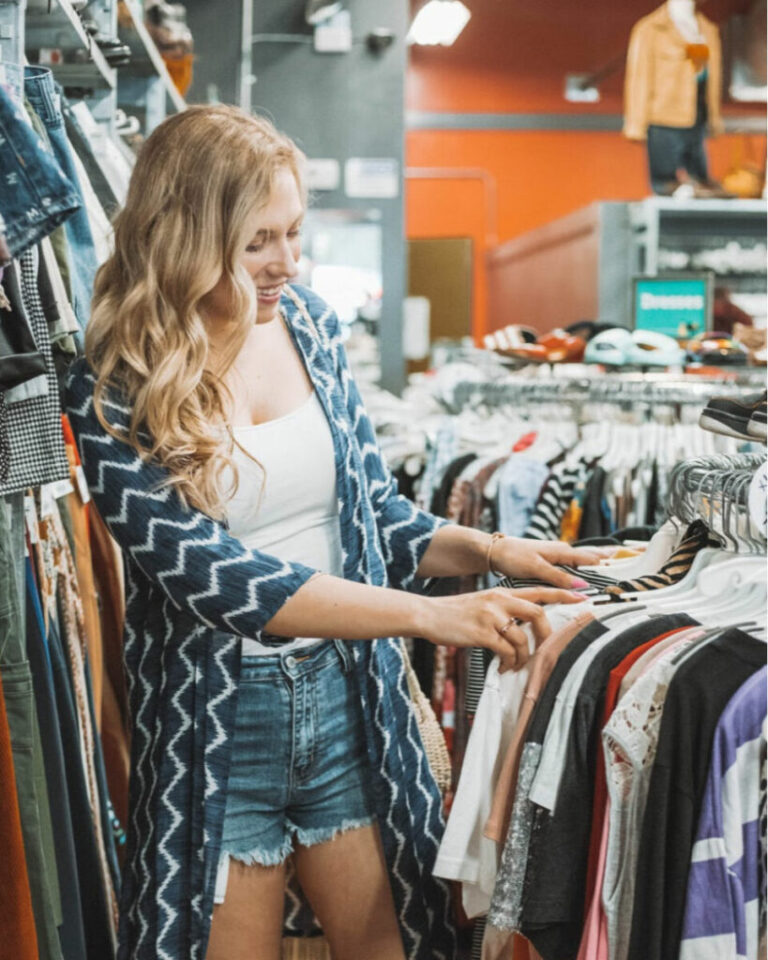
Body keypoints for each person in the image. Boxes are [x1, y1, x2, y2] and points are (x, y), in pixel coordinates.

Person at [65, 105, 603, 960]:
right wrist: (423, 616)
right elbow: (210, 575)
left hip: (353, 711)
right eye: (258, 241)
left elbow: (375, 516)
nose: (288, 261)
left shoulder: (310, 325)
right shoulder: (112, 375)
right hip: (218, 730)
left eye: (293, 233)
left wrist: (494, 551)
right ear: (187, 235)